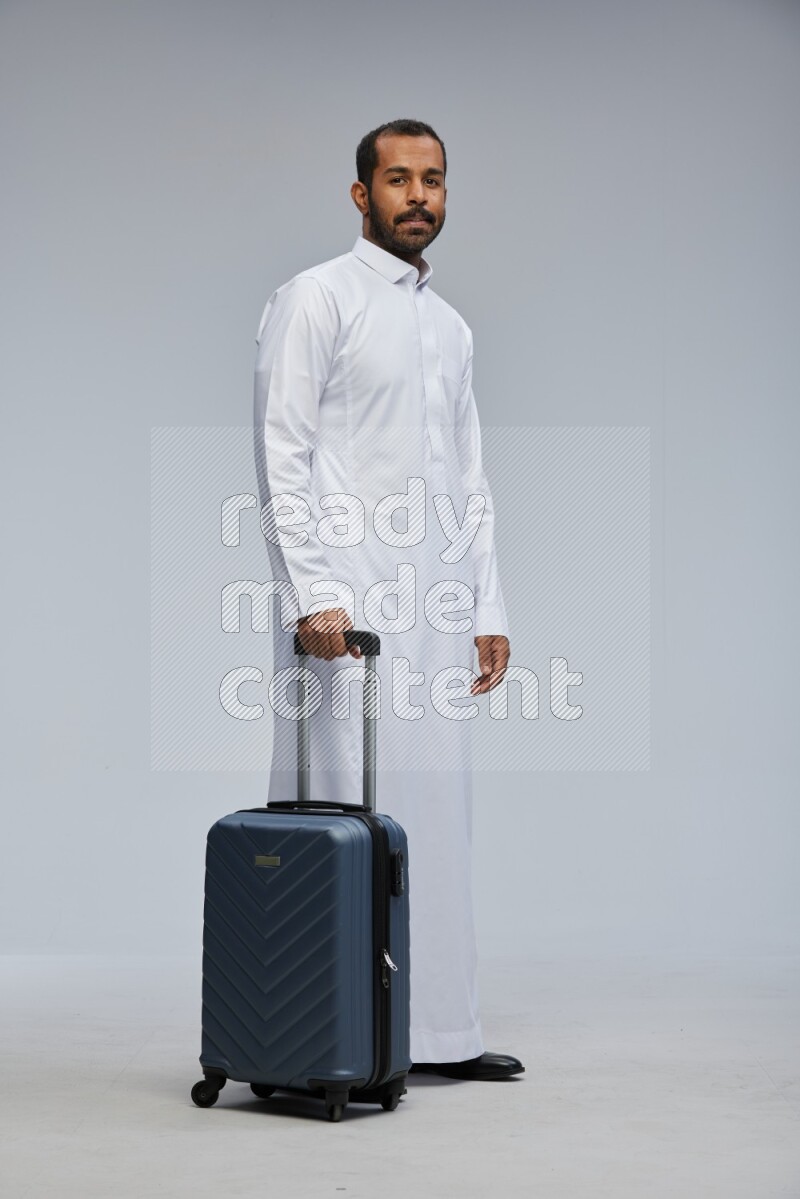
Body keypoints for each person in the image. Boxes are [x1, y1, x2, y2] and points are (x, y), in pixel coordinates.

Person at [253, 118, 524, 1081]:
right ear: (362, 194)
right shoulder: (316, 299)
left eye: (435, 180)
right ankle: (334, 1035)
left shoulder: (449, 329)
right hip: (348, 608)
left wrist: (485, 606)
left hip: (436, 607)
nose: (420, 196)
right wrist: (314, 594)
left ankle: (440, 1034)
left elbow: (470, 482)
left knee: (434, 818)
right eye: (400, 179)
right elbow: (281, 452)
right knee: (346, 808)